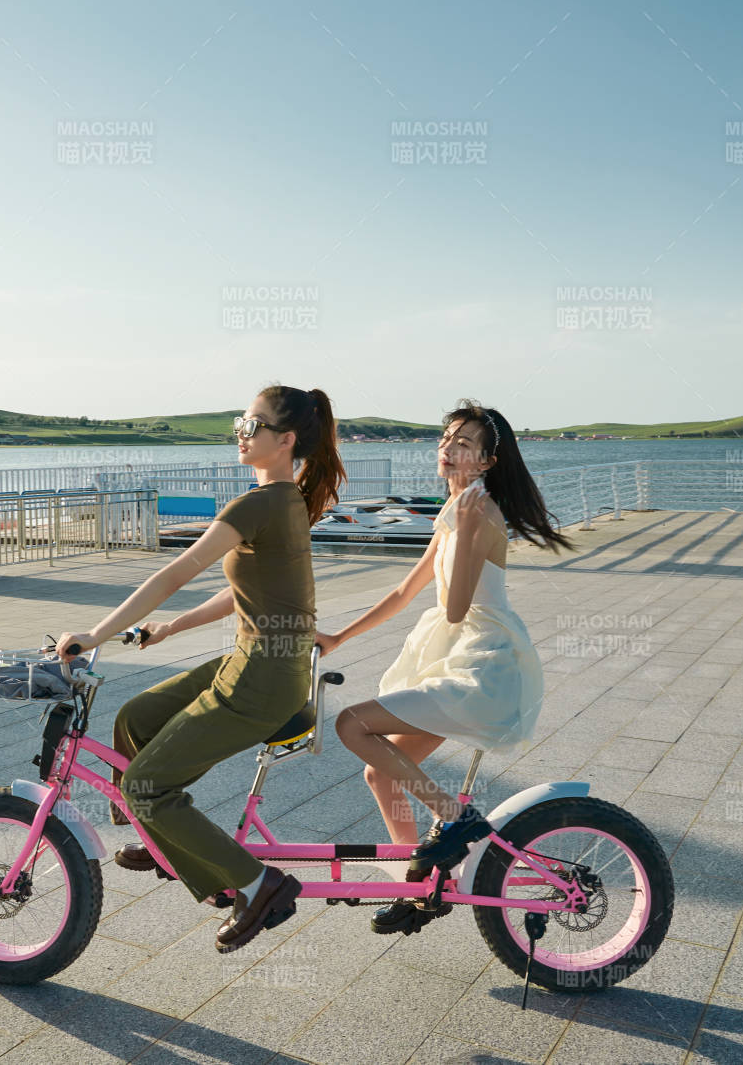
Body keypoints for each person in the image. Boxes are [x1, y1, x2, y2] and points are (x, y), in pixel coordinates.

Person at [54, 384, 346, 954]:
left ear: (285, 440)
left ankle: (260, 885)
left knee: (144, 785)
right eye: (242, 420)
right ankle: (158, 834)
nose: (241, 431)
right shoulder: (282, 500)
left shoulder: (262, 504)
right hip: (258, 663)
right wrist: (168, 629)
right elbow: (244, 593)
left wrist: (97, 634)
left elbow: (175, 572)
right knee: (136, 718)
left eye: (252, 424)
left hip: (261, 679)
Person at [314, 399, 572, 933]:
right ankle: (418, 888)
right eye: (445, 440)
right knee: (378, 772)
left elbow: (455, 607)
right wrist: (340, 635)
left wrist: (462, 526)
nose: (448, 450)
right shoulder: (456, 508)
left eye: (463, 444)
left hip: (483, 665)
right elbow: (404, 590)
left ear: (487, 462)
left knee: (351, 724)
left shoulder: (479, 511)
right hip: (456, 657)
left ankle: (455, 819)